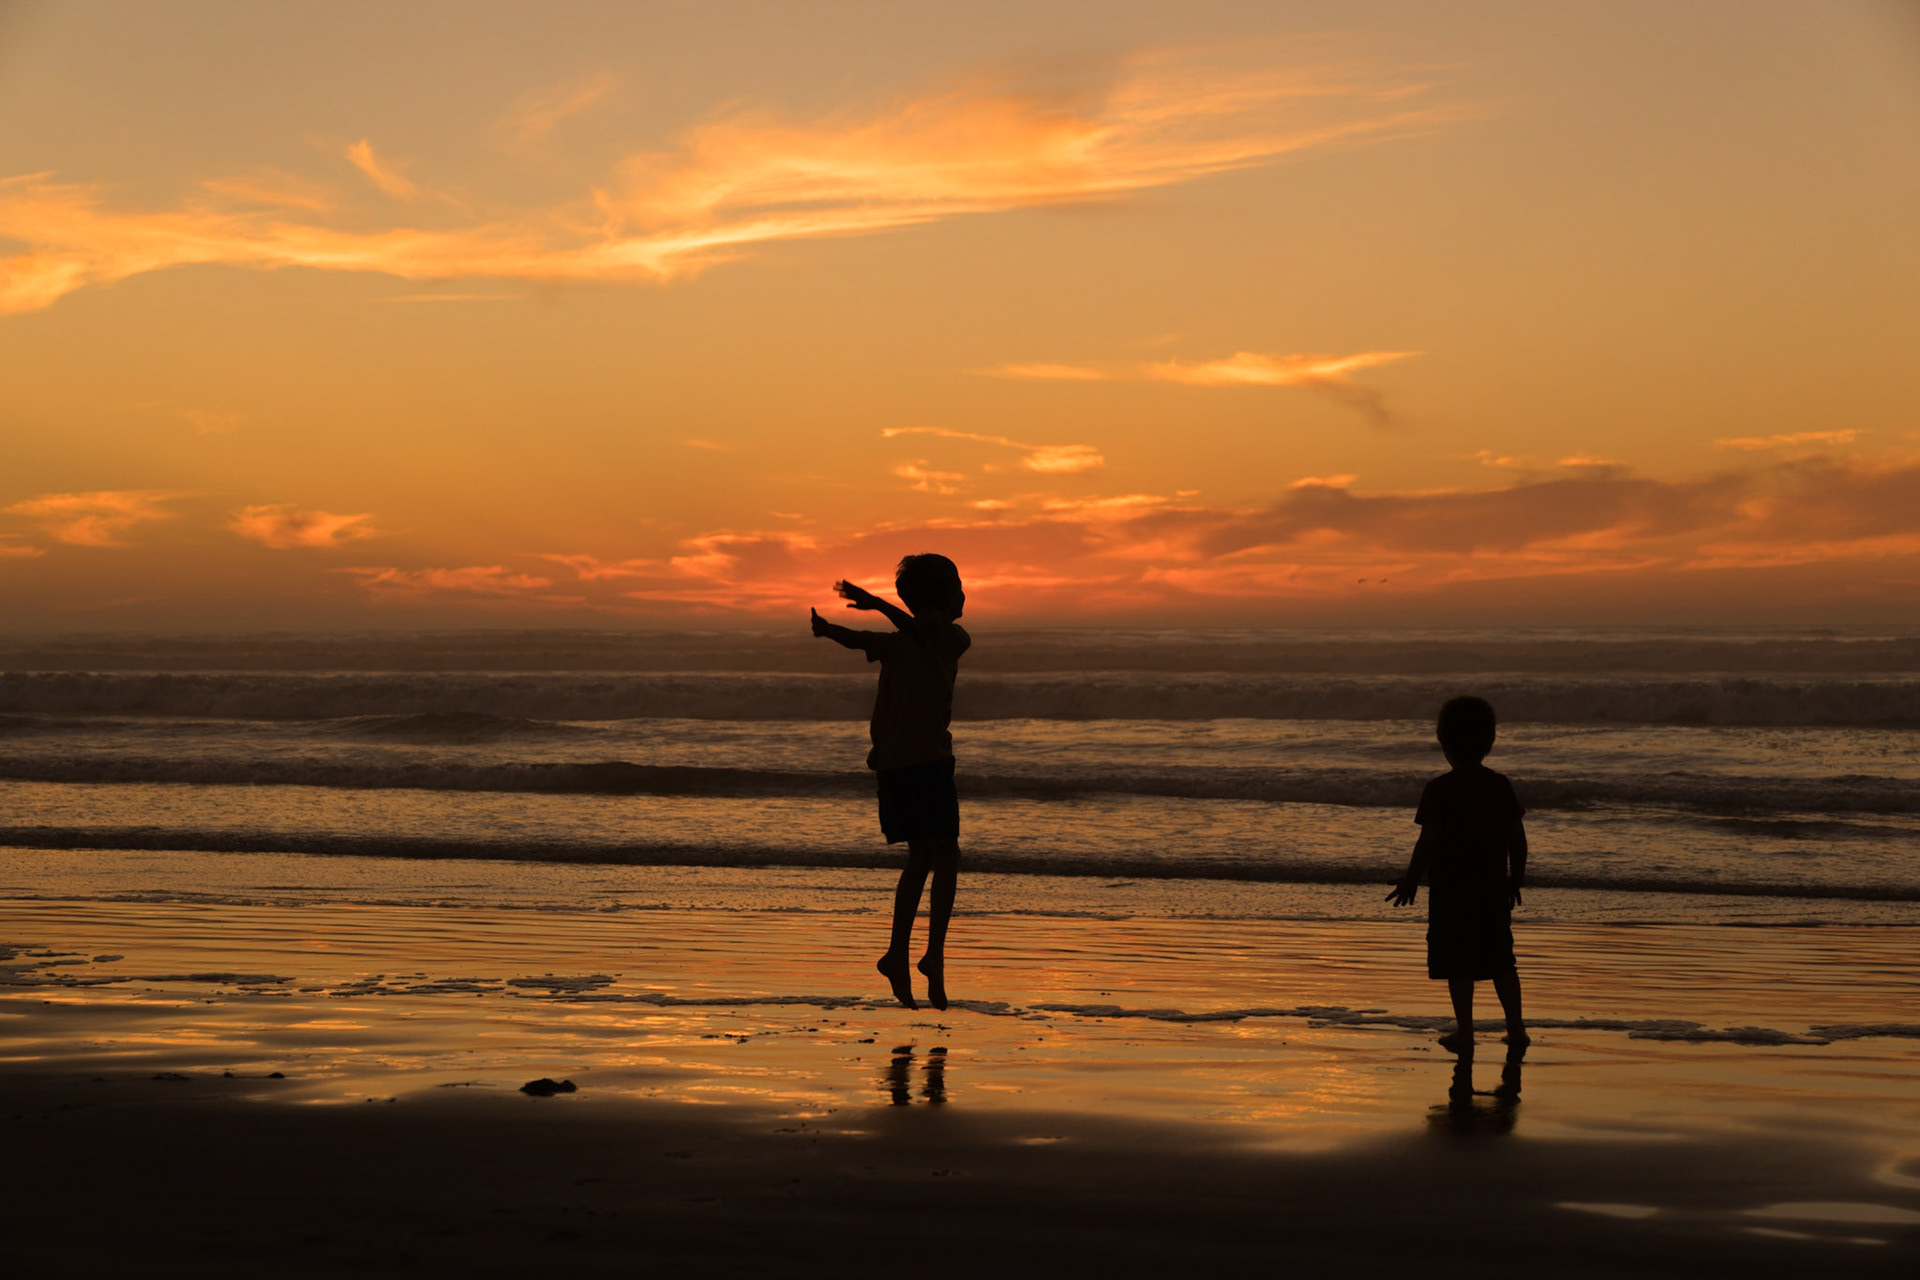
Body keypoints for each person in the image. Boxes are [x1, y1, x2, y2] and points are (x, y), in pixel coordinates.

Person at [811, 554, 970, 1011]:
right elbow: (865, 639)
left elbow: (874, 639)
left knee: (924, 856)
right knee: (944, 854)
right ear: (942, 600)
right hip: (925, 763)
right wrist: (834, 628)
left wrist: (854, 617)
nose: (964, 594)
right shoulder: (943, 637)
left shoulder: (942, 639)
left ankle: (902, 955)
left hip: (897, 765)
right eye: (958, 587)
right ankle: (928, 956)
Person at [1387, 695, 1529, 1053]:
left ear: (1444, 742)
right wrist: (1516, 878)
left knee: (1458, 963)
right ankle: (1516, 1029)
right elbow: (1517, 838)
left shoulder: (1439, 790)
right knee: (1501, 961)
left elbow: (1428, 842)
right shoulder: (1499, 785)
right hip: (1493, 888)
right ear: (1489, 743)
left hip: (1451, 891)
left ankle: (1466, 1030)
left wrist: (1410, 879)